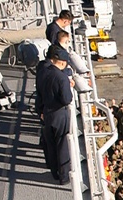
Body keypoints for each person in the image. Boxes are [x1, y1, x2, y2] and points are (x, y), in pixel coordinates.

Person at [35, 45, 73, 184]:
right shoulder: (62, 78)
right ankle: (64, 177)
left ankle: (54, 172)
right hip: (59, 114)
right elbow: (66, 99)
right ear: (62, 62)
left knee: (50, 144)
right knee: (62, 144)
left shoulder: (44, 71)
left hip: (46, 112)